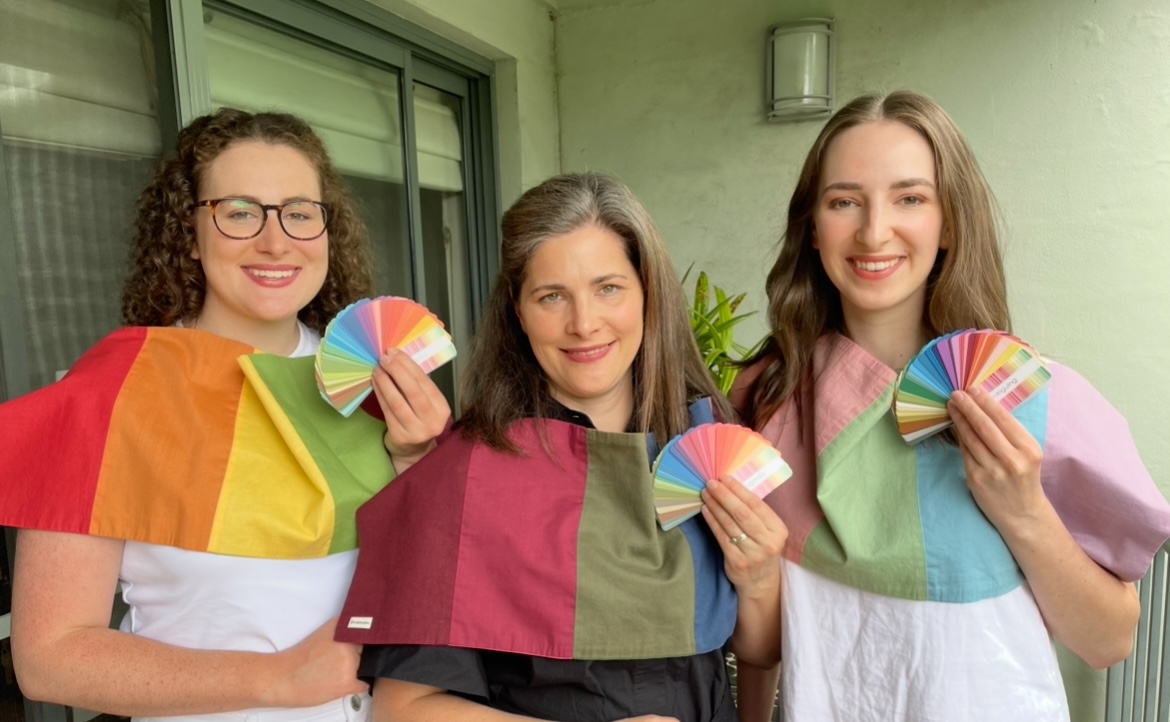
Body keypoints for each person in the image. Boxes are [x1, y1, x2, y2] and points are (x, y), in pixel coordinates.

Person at [732, 90, 1170, 721]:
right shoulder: (768, 397)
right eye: (844, 201)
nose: (874, 230)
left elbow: (1109, 641)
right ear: (813, 228)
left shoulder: (1039, 399)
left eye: (910, 198)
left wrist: (1024, 512)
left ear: (950, 224)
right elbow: (768, 641)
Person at [0, 108, 450, 722]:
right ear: (188, 233)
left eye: (299, 212)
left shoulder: (375, 382)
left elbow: (440, 591)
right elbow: (49, 658)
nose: (276, 240)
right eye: (240, 212)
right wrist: (278, 679)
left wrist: (416, 460)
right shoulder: (109, 397)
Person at [335, 172, 787, 722]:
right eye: (552, 296)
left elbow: (759, 654)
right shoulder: (466, 473)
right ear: (518, 312)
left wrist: (759, 578)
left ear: (649, 294)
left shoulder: (709, 447)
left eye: (608, 288)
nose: (584, 323)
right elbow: (403, 709)